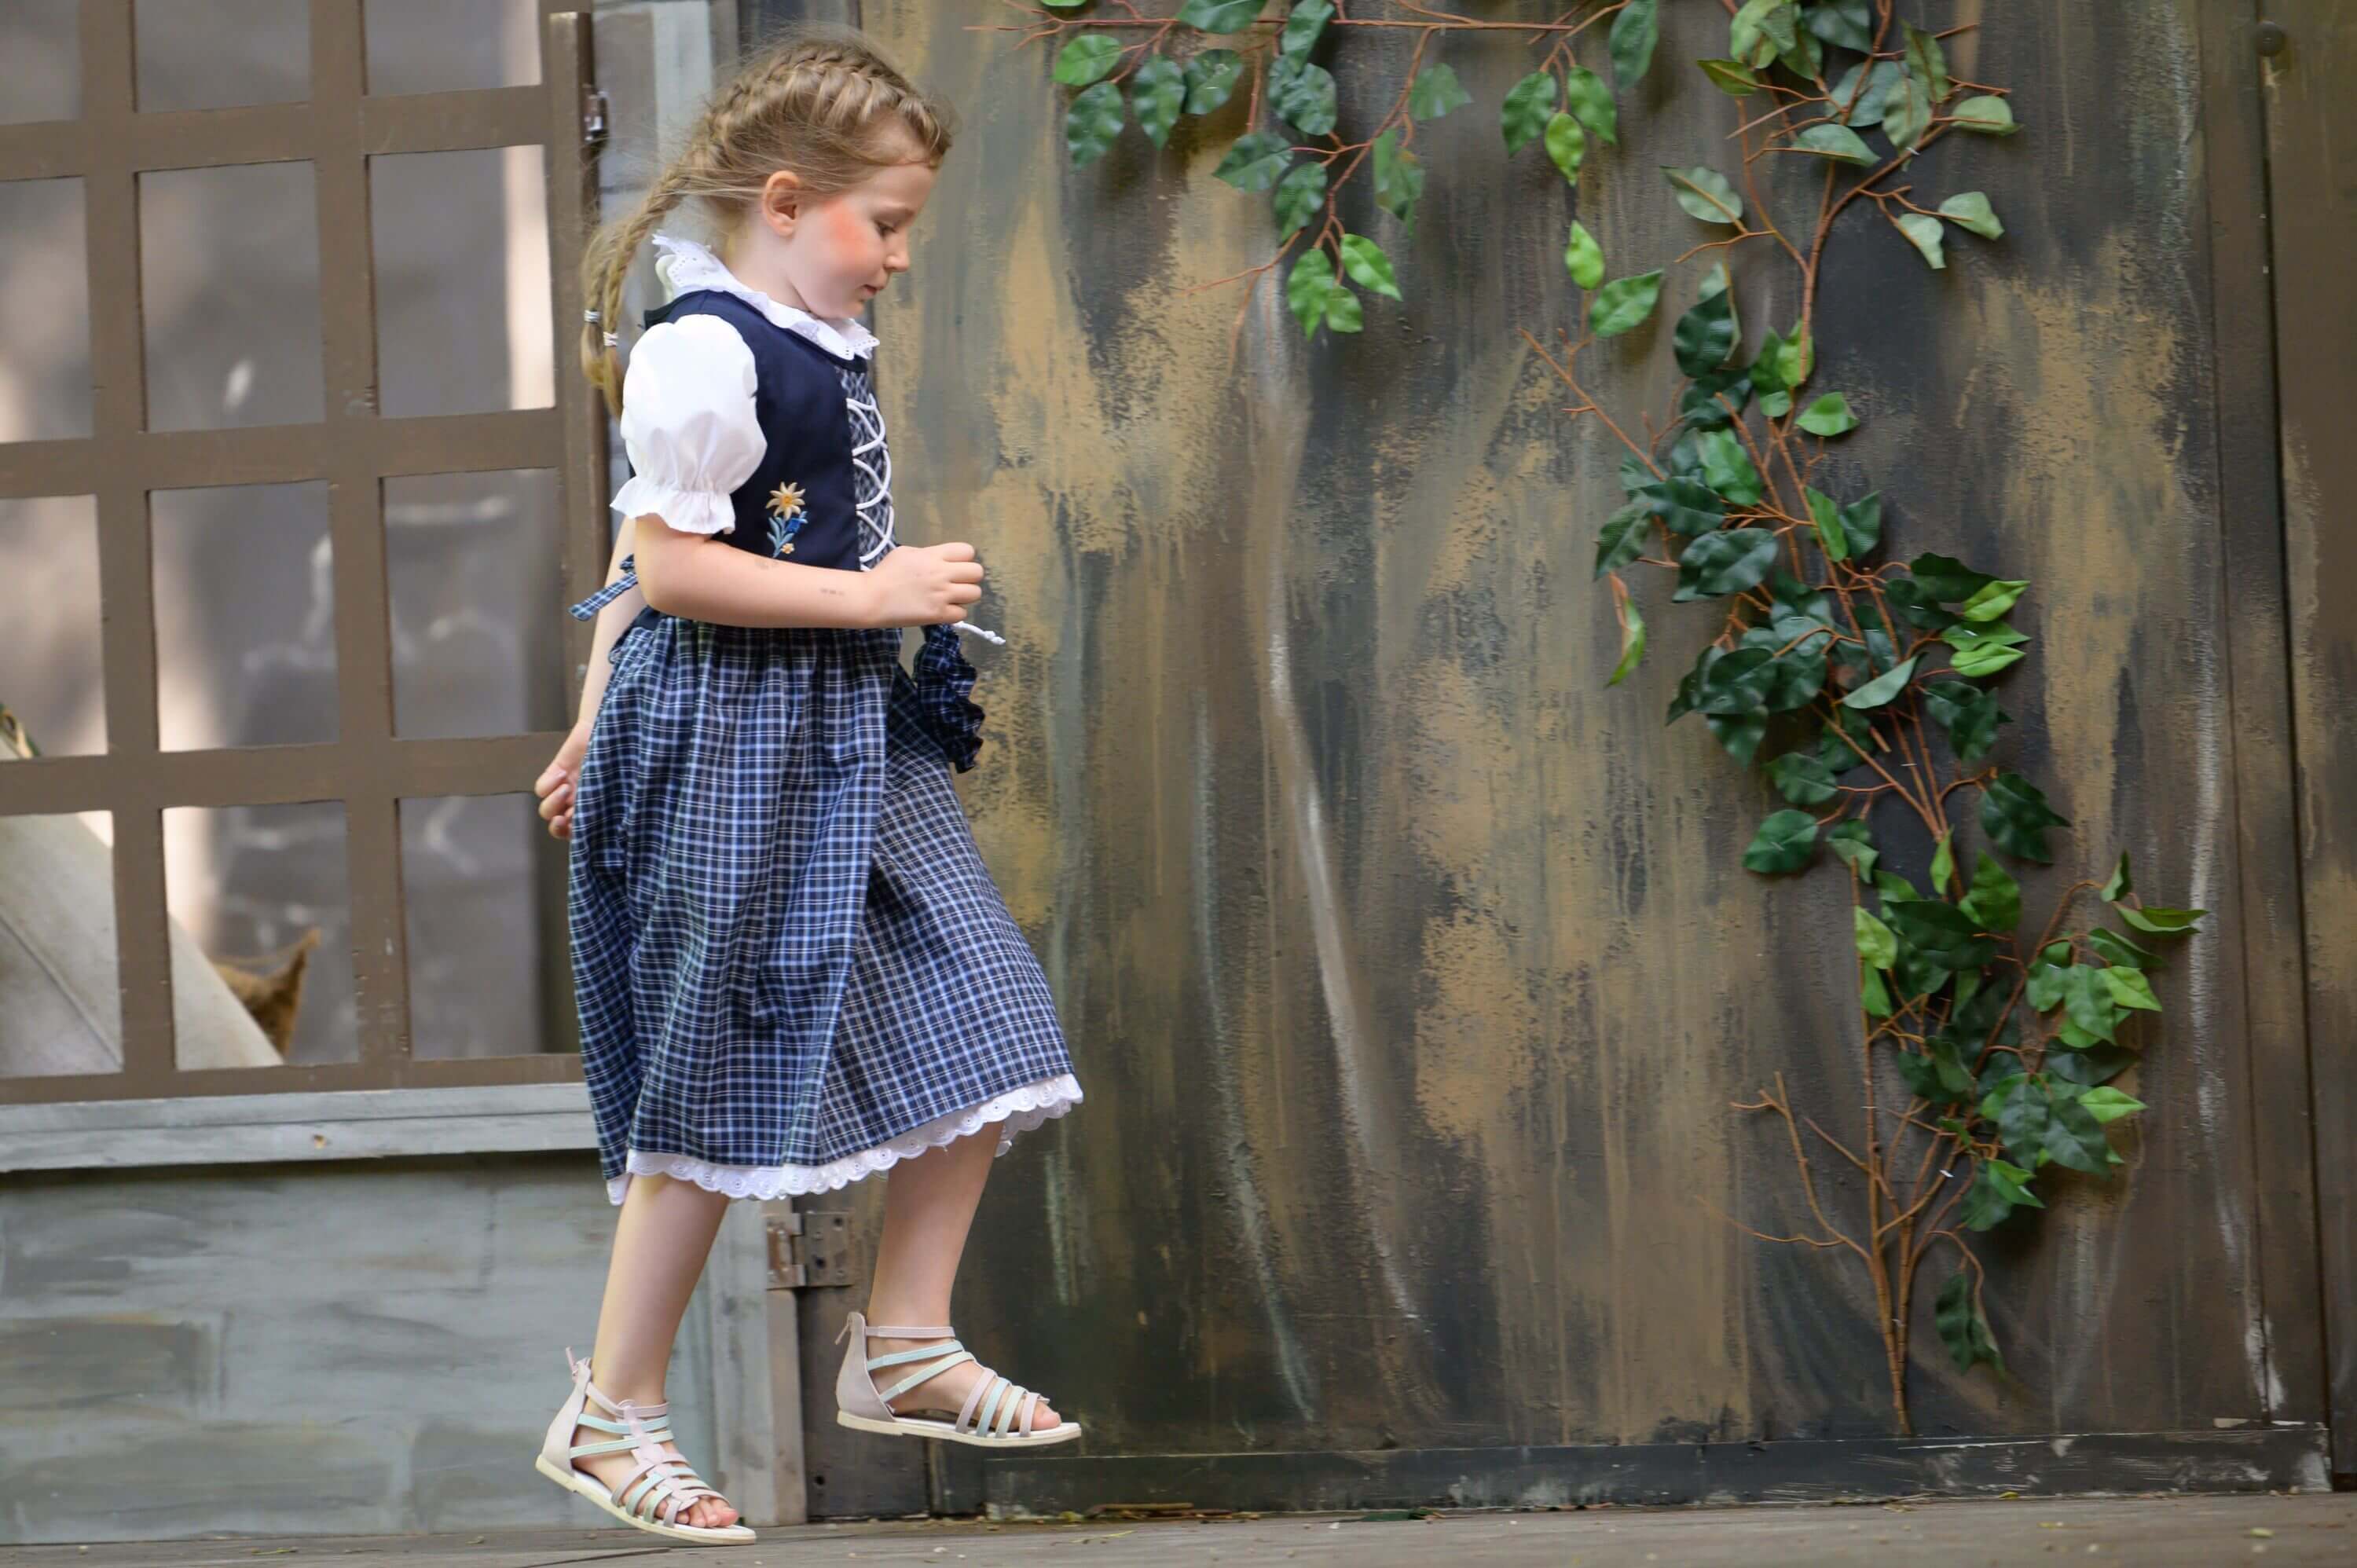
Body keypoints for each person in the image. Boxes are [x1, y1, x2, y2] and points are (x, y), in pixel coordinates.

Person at [526, 28, 1084, 1545]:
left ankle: (902, 1339)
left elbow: (645, 557)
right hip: (729, 738)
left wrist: (586, 718)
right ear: (785, 201)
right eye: (883, 225)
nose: (898, 258)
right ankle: (615, 1407)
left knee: (987, 1008)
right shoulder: (702, 347)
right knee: (716, 1060)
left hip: (844, 731)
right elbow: (663, 565)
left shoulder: (812, 337)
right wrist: (875, 593)